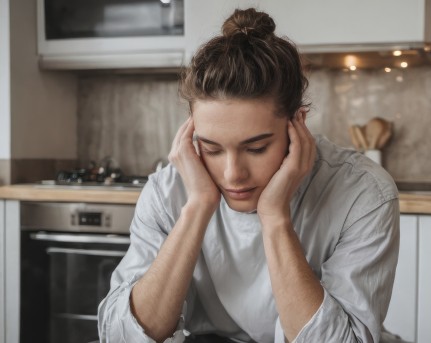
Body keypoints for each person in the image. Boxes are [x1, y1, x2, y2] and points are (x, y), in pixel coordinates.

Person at [98, 7, 399, 343]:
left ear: (297, 123)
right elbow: (122, 336)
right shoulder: (168, 191)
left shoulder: (363, 193)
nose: (232, 174)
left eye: (256, 149)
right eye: (212, 149)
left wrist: (275, 219)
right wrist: (198, 207)